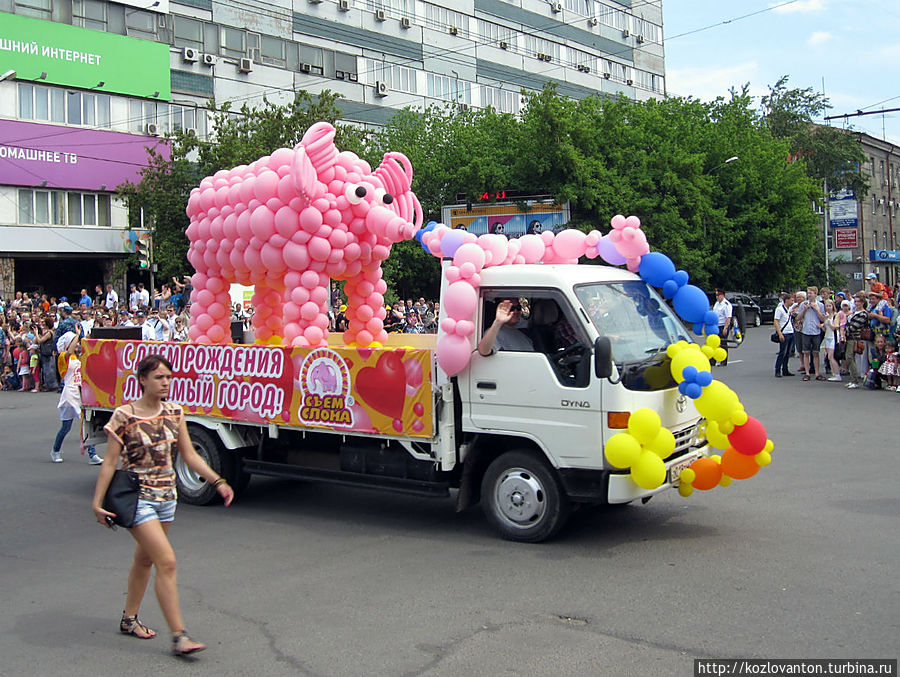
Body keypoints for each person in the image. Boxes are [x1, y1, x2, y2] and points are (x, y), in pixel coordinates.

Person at [91, 354, 234, 656]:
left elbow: (190, 455)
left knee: (145, 560)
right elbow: (110, 463)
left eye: (169, 377)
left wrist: (218, 482)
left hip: (167, 498)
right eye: (159, 377)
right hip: (137, 499)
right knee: (166, 562)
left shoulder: (175, 412)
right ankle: (179, 636)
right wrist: (97, 502)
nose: (166, 382)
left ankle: (129, 620)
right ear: (142, 380)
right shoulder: (124, 416)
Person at [52, 332, 103, 464]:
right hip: (69, 394)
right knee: (66, 427)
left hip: (80, 393)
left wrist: (88, 337)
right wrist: (77, 335)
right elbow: (69, 351)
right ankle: (55, 451)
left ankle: (92, 455)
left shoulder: (77, 357)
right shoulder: (63, 356)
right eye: (74, 342)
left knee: (84, 423)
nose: (77, 345)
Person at [796, 287, 825, 381]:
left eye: (811, 293)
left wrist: (816, 309)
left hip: (816, 331)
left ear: (816, 294)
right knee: (806, 352)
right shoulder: (803, 304)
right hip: (806, 331)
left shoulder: (820, 305)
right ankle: (807, 373)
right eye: (808, 293)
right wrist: (804, 310)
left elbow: (822, 319)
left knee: (816, 353)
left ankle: (817, 373)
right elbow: (798, 318)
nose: (809, 295)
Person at [773, 292, 795, 377]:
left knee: (788, 353)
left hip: (790, 332)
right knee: (782, 352)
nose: (793, 302)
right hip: (784, 333)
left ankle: (785, 369)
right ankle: (777, 370)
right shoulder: (780, 309)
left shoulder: (788, 309)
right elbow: (776, 321)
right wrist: (780, 334)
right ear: (787, 300)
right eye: (791, 300)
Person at [711, 290, 732, 366]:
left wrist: (725, 328)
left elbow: (728, 318)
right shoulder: (717, 304)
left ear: (723, 295)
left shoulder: (726, 305)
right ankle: (713, 361)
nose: (717, 297)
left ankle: (723, 360)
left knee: (723, 344)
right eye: (716, 295)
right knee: (714, 343)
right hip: (716, 326)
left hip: (723, 325)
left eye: (718, 295)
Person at [822, 299, 841, 382]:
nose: (828, 307)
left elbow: (834, 327)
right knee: (828, 357)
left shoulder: (836, 315)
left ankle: (837, 375)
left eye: (829, 306)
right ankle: (834, 373)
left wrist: (829, 322)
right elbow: (825, 329)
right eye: (826, 306)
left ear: (833, 306)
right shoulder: (826, 316)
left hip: (833, 337)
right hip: (827, 337)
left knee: (831, 356)